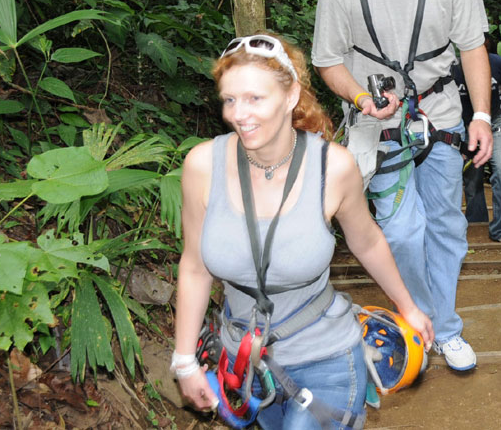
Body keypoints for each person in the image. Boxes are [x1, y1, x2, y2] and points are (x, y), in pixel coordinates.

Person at [172, 33, 434, 429]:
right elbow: (194, 267)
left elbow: (367, 242)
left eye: (255, 98)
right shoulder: (202, 166)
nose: (239, 114)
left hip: (327, 361)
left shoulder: (334, 167)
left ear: (291, 94)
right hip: (248, 365)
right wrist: (184, 361)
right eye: (230, 99)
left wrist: (408, 306)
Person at [312, 0, 492, 372]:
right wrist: (361, 99)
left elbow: (473, 47)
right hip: (377, 125)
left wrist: (481, 115)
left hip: (442, 119)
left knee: (447, 226)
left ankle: (444, 329)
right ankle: (423, 319)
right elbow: (327, 60)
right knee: (401, 232)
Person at [451, 33, 501, 243]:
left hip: (496, 121)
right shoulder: (453, 68)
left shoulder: (496, 63)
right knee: (472, 178)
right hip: (466, 125)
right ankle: (476, 224)